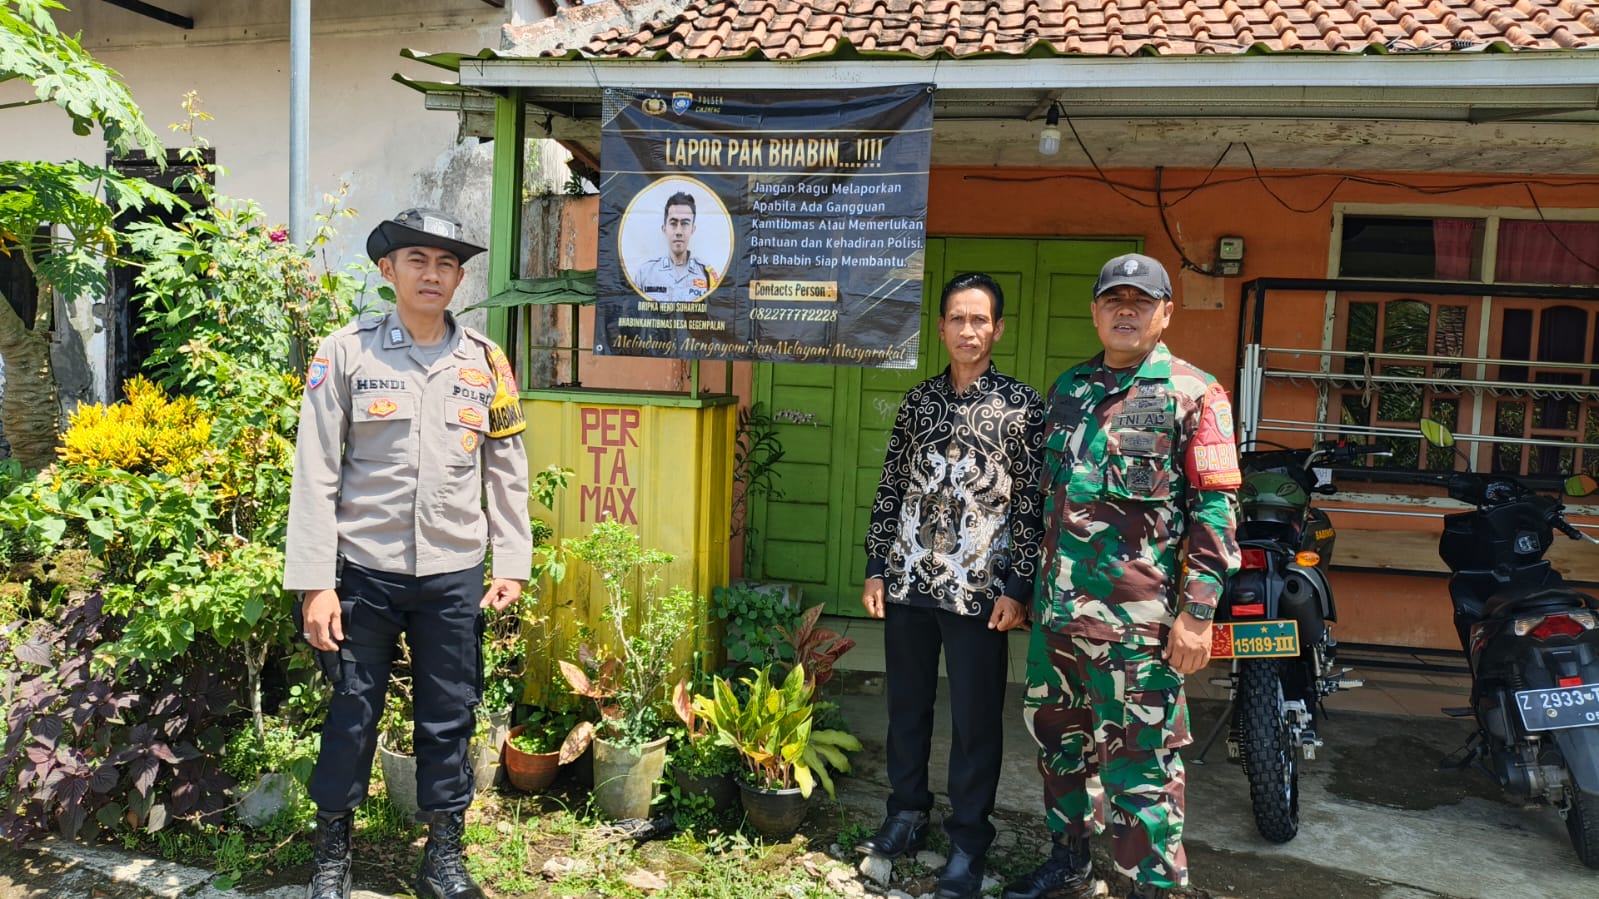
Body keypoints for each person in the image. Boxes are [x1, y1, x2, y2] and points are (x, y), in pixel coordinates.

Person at [286, 208, 532, 899]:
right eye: (418, 260)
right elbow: (315, 470)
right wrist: (314, 583)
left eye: (447, 263)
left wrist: (512, 558)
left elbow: (506, 465)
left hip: (453, 572)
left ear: (458, 277)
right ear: (388, 270)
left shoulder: (486, 362)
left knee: (451, 713)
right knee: (351, 711)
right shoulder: (346, 353)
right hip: (363, 572)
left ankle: (443, 856)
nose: (433, 274)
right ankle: (332, 853)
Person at [1003, 254, 1240, 899]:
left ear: (1166, 312)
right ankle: (1070, 860)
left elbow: (1215, 510)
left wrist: (1198, 614)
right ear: (1096, 311)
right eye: (1114, 300)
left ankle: (1155, 887)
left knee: (1142, 769)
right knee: (1059, 750)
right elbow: (1044, 503)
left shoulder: (1194, 393)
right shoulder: (1070, 390)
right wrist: (1024, 590)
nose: (1126, 311)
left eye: (1141, 301)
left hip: (1139, 631)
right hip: (1058, 622)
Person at [858, 272, 1045, 899]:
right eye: (957, 320)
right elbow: (891, 488)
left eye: (980, 320)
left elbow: (1032, 504)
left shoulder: (1023, 407)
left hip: (980, 593)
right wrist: (876, 566)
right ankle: (906, 814)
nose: (968, 330)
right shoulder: (917, 403)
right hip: (910, 580)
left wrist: (1019, 586)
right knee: (906, 707)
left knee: (974, 721)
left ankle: (968, 841)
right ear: (940, 328)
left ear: (997, 329)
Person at [629, 190, 719, 302]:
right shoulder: (646, 273)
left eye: (685, 223)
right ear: (664, 229)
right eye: (673, 223)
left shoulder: (707, 274)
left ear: (693, 229)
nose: (679, 231)